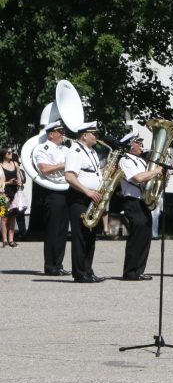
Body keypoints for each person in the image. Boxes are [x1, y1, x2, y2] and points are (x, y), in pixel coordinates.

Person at [117, 132, 163, 280]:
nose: (142, 145)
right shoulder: (125, 160)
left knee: (145, 235)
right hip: (132, 201)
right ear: (131, 145)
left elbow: (148, 179)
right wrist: (156, 171)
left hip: (142, 201)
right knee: (136, 236)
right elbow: (138, 178)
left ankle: (139, 270)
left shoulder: (141, 161)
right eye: (139, 142)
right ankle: (130, 271)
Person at [63, 121, 104, 283]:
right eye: (94, 134)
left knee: (90, 236)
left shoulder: (92, 152)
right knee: (80, 236)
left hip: (93, 197)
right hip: (79, 197)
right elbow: (70, 177)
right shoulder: (75, 151)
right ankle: (80, 273)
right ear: (84, 135)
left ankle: (88, 270)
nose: (97, 137)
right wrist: (87, 191)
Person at [33, 120, 70, 275]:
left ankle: (58, 265)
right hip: (52, 193)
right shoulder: (43, 148)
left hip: (66, 190)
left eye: (62, 132)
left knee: (63, 231)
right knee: (53, 230)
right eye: (60, 132)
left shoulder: (66, 149)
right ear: (51, 134)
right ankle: (50, 266)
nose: (63, 135)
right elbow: (44, 169)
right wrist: (64, 165)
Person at [1, 147, 23, 247]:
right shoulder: (0, 165)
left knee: (13, 216)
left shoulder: (15, 164)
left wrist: (19, 182)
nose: (11, 154)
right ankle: (4, 240)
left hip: (14, 193)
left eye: (11, 152)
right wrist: (8, 182)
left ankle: (11, 240)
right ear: (3, 154)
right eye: (9, 152)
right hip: (3, 194)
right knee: (4, 217)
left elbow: (20, 178)